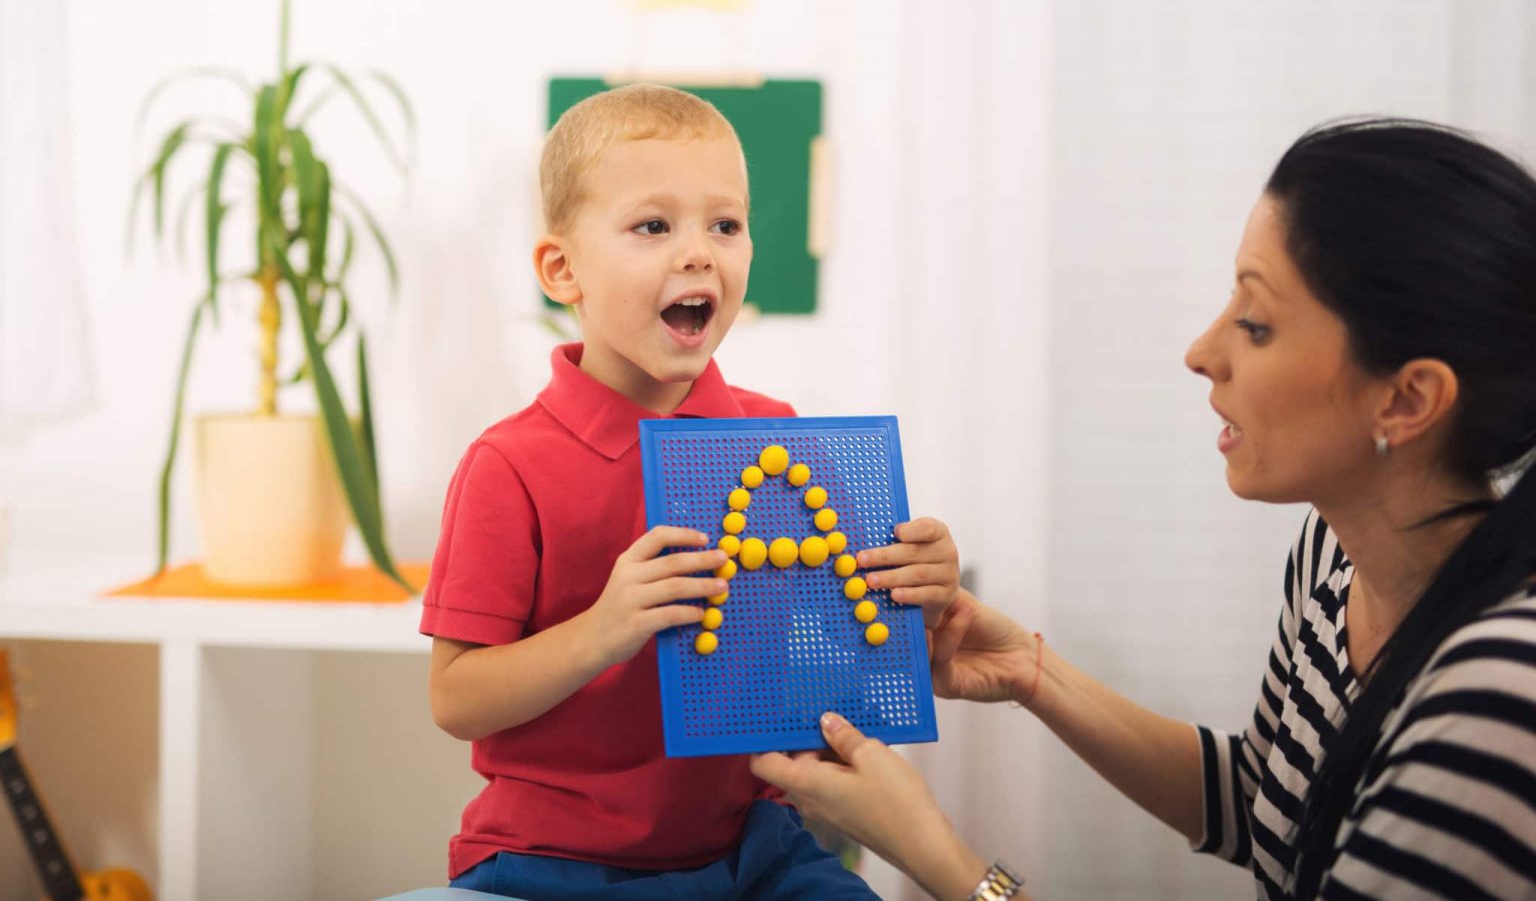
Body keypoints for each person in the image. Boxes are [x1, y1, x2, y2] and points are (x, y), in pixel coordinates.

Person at [753, 119, 1536, 900]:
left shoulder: (1497, 701)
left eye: (1256, 325)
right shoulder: (1334, 557)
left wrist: (940, 859)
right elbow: (1264, 802)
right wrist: (1034, 673)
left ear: (1408, 399)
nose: (1202, 351)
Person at [420, 83, 961, 900]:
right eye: (652, 226)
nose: (700, 252)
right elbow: (458, 698)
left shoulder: (777, 440)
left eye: (725, 225)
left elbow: (857, 632)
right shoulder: (508, 465)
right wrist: (603, 630)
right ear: (563, 271)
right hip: (549, 865)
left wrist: (918, 583)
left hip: (756, 853)